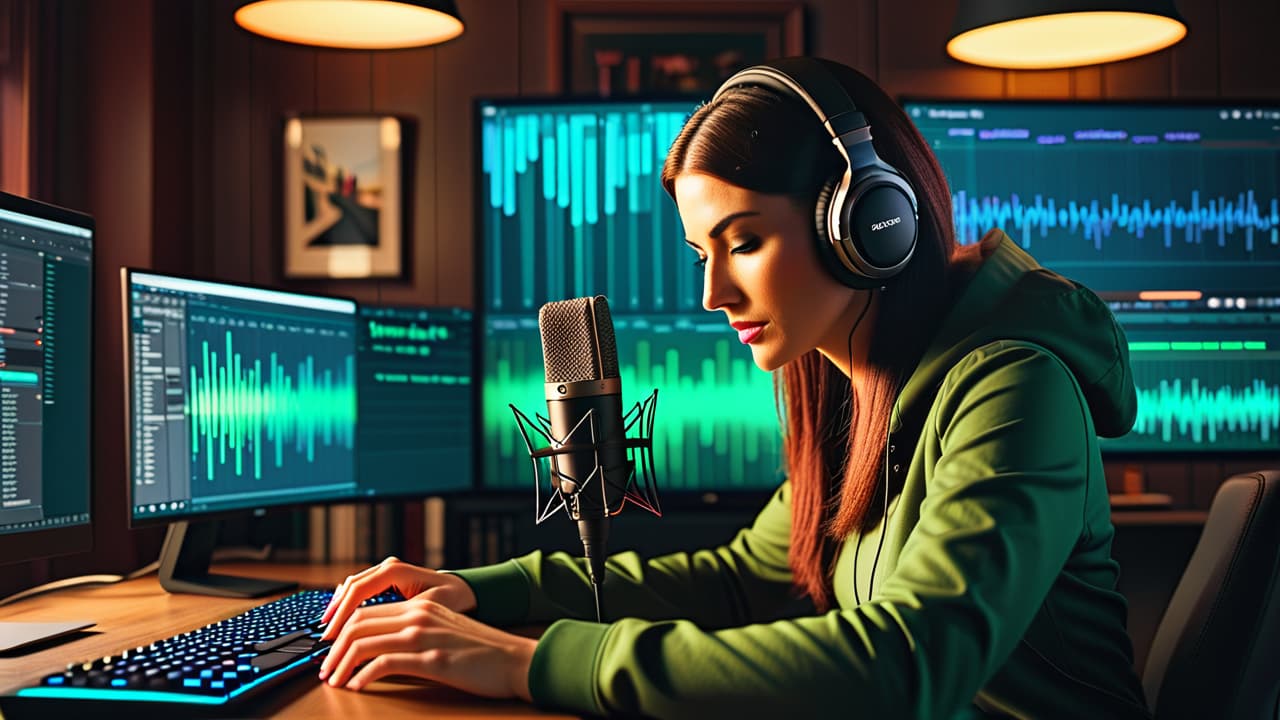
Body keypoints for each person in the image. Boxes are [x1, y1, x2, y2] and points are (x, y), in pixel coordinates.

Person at [315, 57, 1151, 719]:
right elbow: (745, 579)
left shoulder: (1016, 390)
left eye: (743, 242)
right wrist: (486, 591)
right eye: (699, 254)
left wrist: (527, 663)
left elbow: (910, 666)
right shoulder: (850, 387)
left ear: (868, 224)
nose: (712, 294)